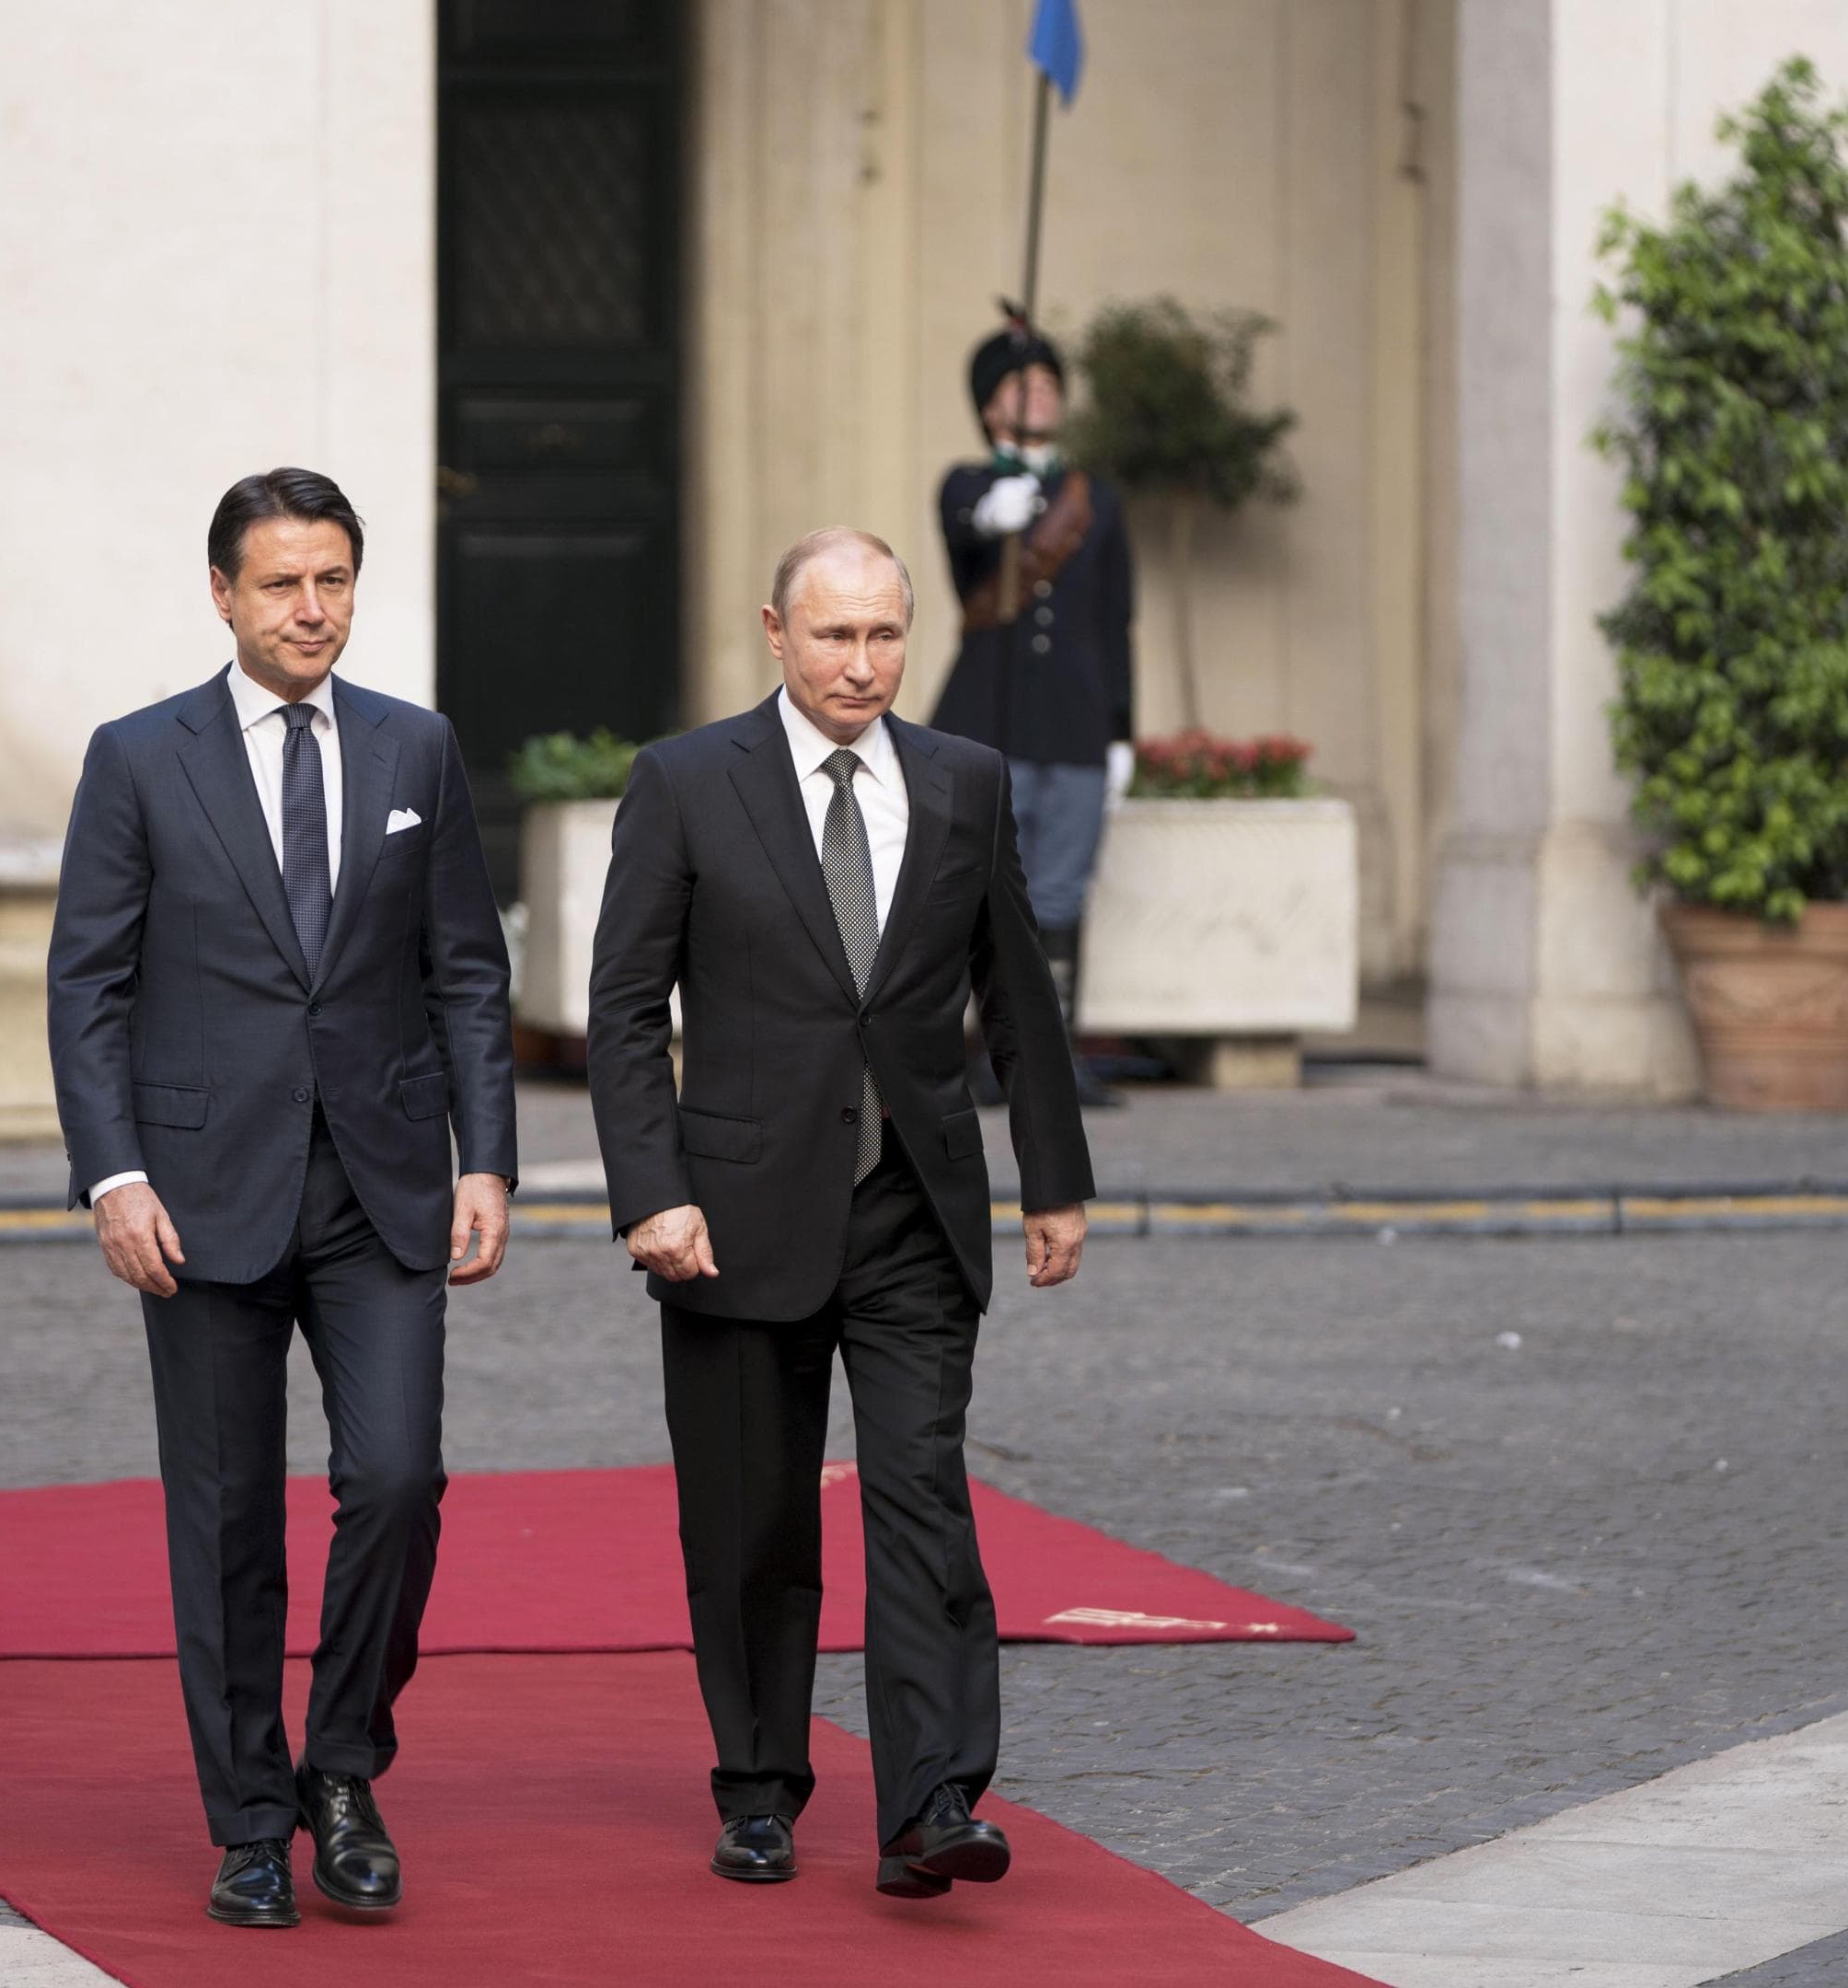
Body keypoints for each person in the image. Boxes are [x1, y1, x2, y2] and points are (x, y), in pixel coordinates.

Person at [585, 527, 1095, 1899]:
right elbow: (626, 1010)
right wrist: (653, 1192)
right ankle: (757, 1786)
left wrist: (1054, 1178)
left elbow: (1017, 994)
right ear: (774, 631)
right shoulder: (687, 784)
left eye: (884, 637)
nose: (861, 665)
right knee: (751, 1522)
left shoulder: (964, 783)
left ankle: (932, 1801)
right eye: (833, 637)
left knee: (923, 1499)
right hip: (733, 1215)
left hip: (916, 1208)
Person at [46, 468, 518, 1929]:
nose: (311, 610)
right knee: (229, 1520)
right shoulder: (138, 758)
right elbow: (87, 985)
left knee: (397, 1483)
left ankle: (343, 1766)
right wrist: (115, 1174)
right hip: (198, 1196)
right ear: (223, 596)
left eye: (332, 582)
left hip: (381, 1189)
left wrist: (487, 1154)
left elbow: (465, 970)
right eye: (281, 585)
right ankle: (251, 1820)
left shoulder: (415, 748)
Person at [927, 309, 1137, 1105]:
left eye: (1050, 383)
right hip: (990, 718)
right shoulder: (970, 485)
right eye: (1022, 383)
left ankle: (1052, 1060)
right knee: (977, 892)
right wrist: (992, 515)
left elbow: (1116, 623)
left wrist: (1121, 731)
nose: (1040, 394)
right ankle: (970, 1056)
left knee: (1058, 895)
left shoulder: (1098, 501)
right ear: (989, 408)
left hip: (1077, 723)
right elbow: (959, 529)